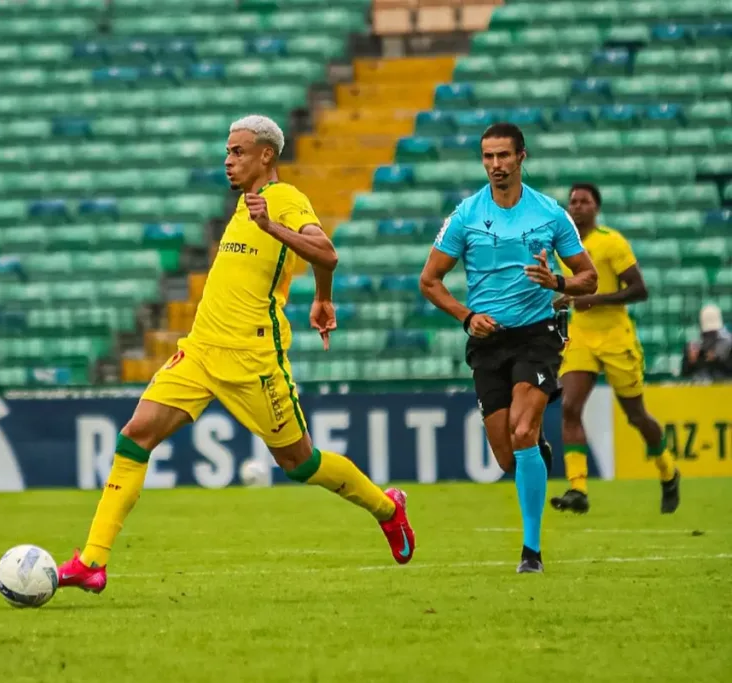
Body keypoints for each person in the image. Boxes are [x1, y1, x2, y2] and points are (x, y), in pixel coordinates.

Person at [56, 115, 416, 594]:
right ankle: (92, 561)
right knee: (135, 436)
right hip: (202, 349)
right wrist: (321, 298)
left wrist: (275, 229)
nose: (228, 161)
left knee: (300, 464)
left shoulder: (284, 200)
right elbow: (314, 268)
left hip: (253, 357)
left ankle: (388, 509)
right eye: (227, 152)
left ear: (266, 155)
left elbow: (326, 253)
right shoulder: (243, 208)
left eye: (238, 152)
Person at [419, 123, 598, 574]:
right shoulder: (465, 215)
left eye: (503, 156)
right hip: (487, 340)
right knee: (507, 456)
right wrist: (466, 316)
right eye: (488, 157)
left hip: (537, 334)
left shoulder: (551, 214)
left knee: (520, 432)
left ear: (522, 157)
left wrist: (556, 281)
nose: (495, 165)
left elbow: (587, 277)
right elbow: (429, 280)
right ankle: (535, 450)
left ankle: (531, 553)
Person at [550, 183, 680, 515]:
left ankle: (667, 470)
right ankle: (578, 488)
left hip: (615, 337)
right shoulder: (562, 246)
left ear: (597, 207)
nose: (577, 206)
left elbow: (639, 290)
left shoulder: (611, 242)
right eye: (573, 201)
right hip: (580, 337)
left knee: (636, 415)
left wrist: (593, 299)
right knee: (569, 407)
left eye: (585, 201)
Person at [681, 304, 732, 382]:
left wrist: (716, 360)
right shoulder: (693, 346)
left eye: (713, 333)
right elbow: (684, 374)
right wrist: (691, 361)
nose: (710, 337)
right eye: (707, 333)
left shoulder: (728, 344)